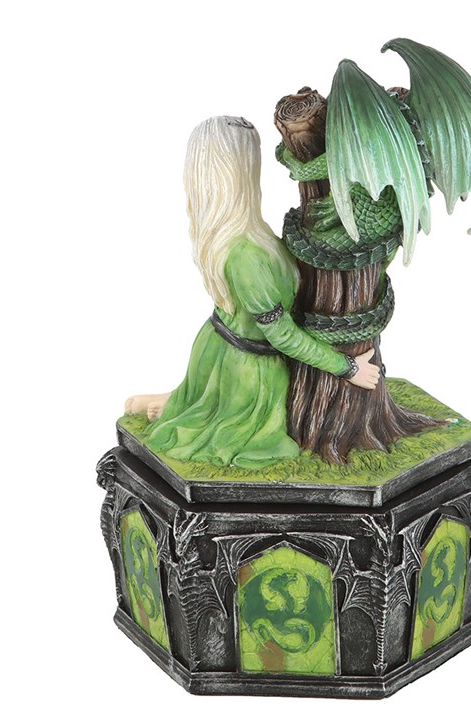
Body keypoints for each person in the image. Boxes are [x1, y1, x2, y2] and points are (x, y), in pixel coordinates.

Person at [125, 116, 379, 469]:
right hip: (247, 373)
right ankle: (197, 408)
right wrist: (346, 367)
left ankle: (186, 400)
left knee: (195, 408)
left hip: (216, 351)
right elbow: (282, 336)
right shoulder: (246, 255)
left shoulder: (252, 234)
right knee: (259, 445)